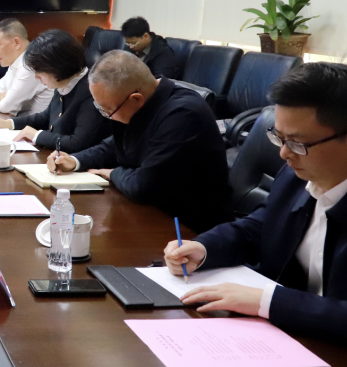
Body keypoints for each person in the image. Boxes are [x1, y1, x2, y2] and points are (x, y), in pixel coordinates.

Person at [164, 63, 347, 359]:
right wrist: (203, 248)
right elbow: (259, 226)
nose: (284, 153)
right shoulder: (296, 174)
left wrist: (268, 301)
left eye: (298, 143)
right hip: (284, 342)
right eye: (278, 137)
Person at [49, 50, 232, 232]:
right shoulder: (139, 102)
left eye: (107, 110)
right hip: (152, 213)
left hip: (192, 229)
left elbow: (144, 187)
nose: (107, 116)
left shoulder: (183, 115)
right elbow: (115, 146)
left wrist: (112, 173)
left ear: (135, 99)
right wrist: (75, 160)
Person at [0, 29, 110, 152]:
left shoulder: (91, 91)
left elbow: (77, 143)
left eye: (39, 71)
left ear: (57, 67)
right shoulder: (63, 82)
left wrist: (37, 135)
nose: (36, 77)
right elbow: (45, 117)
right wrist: (9, 123)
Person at [0, 19, 52, 116]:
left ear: (16, 43)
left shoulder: (30, 65)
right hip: (20, 121)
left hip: (37, 124)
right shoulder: (15, 63)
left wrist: (6, 99)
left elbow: (6, 107)